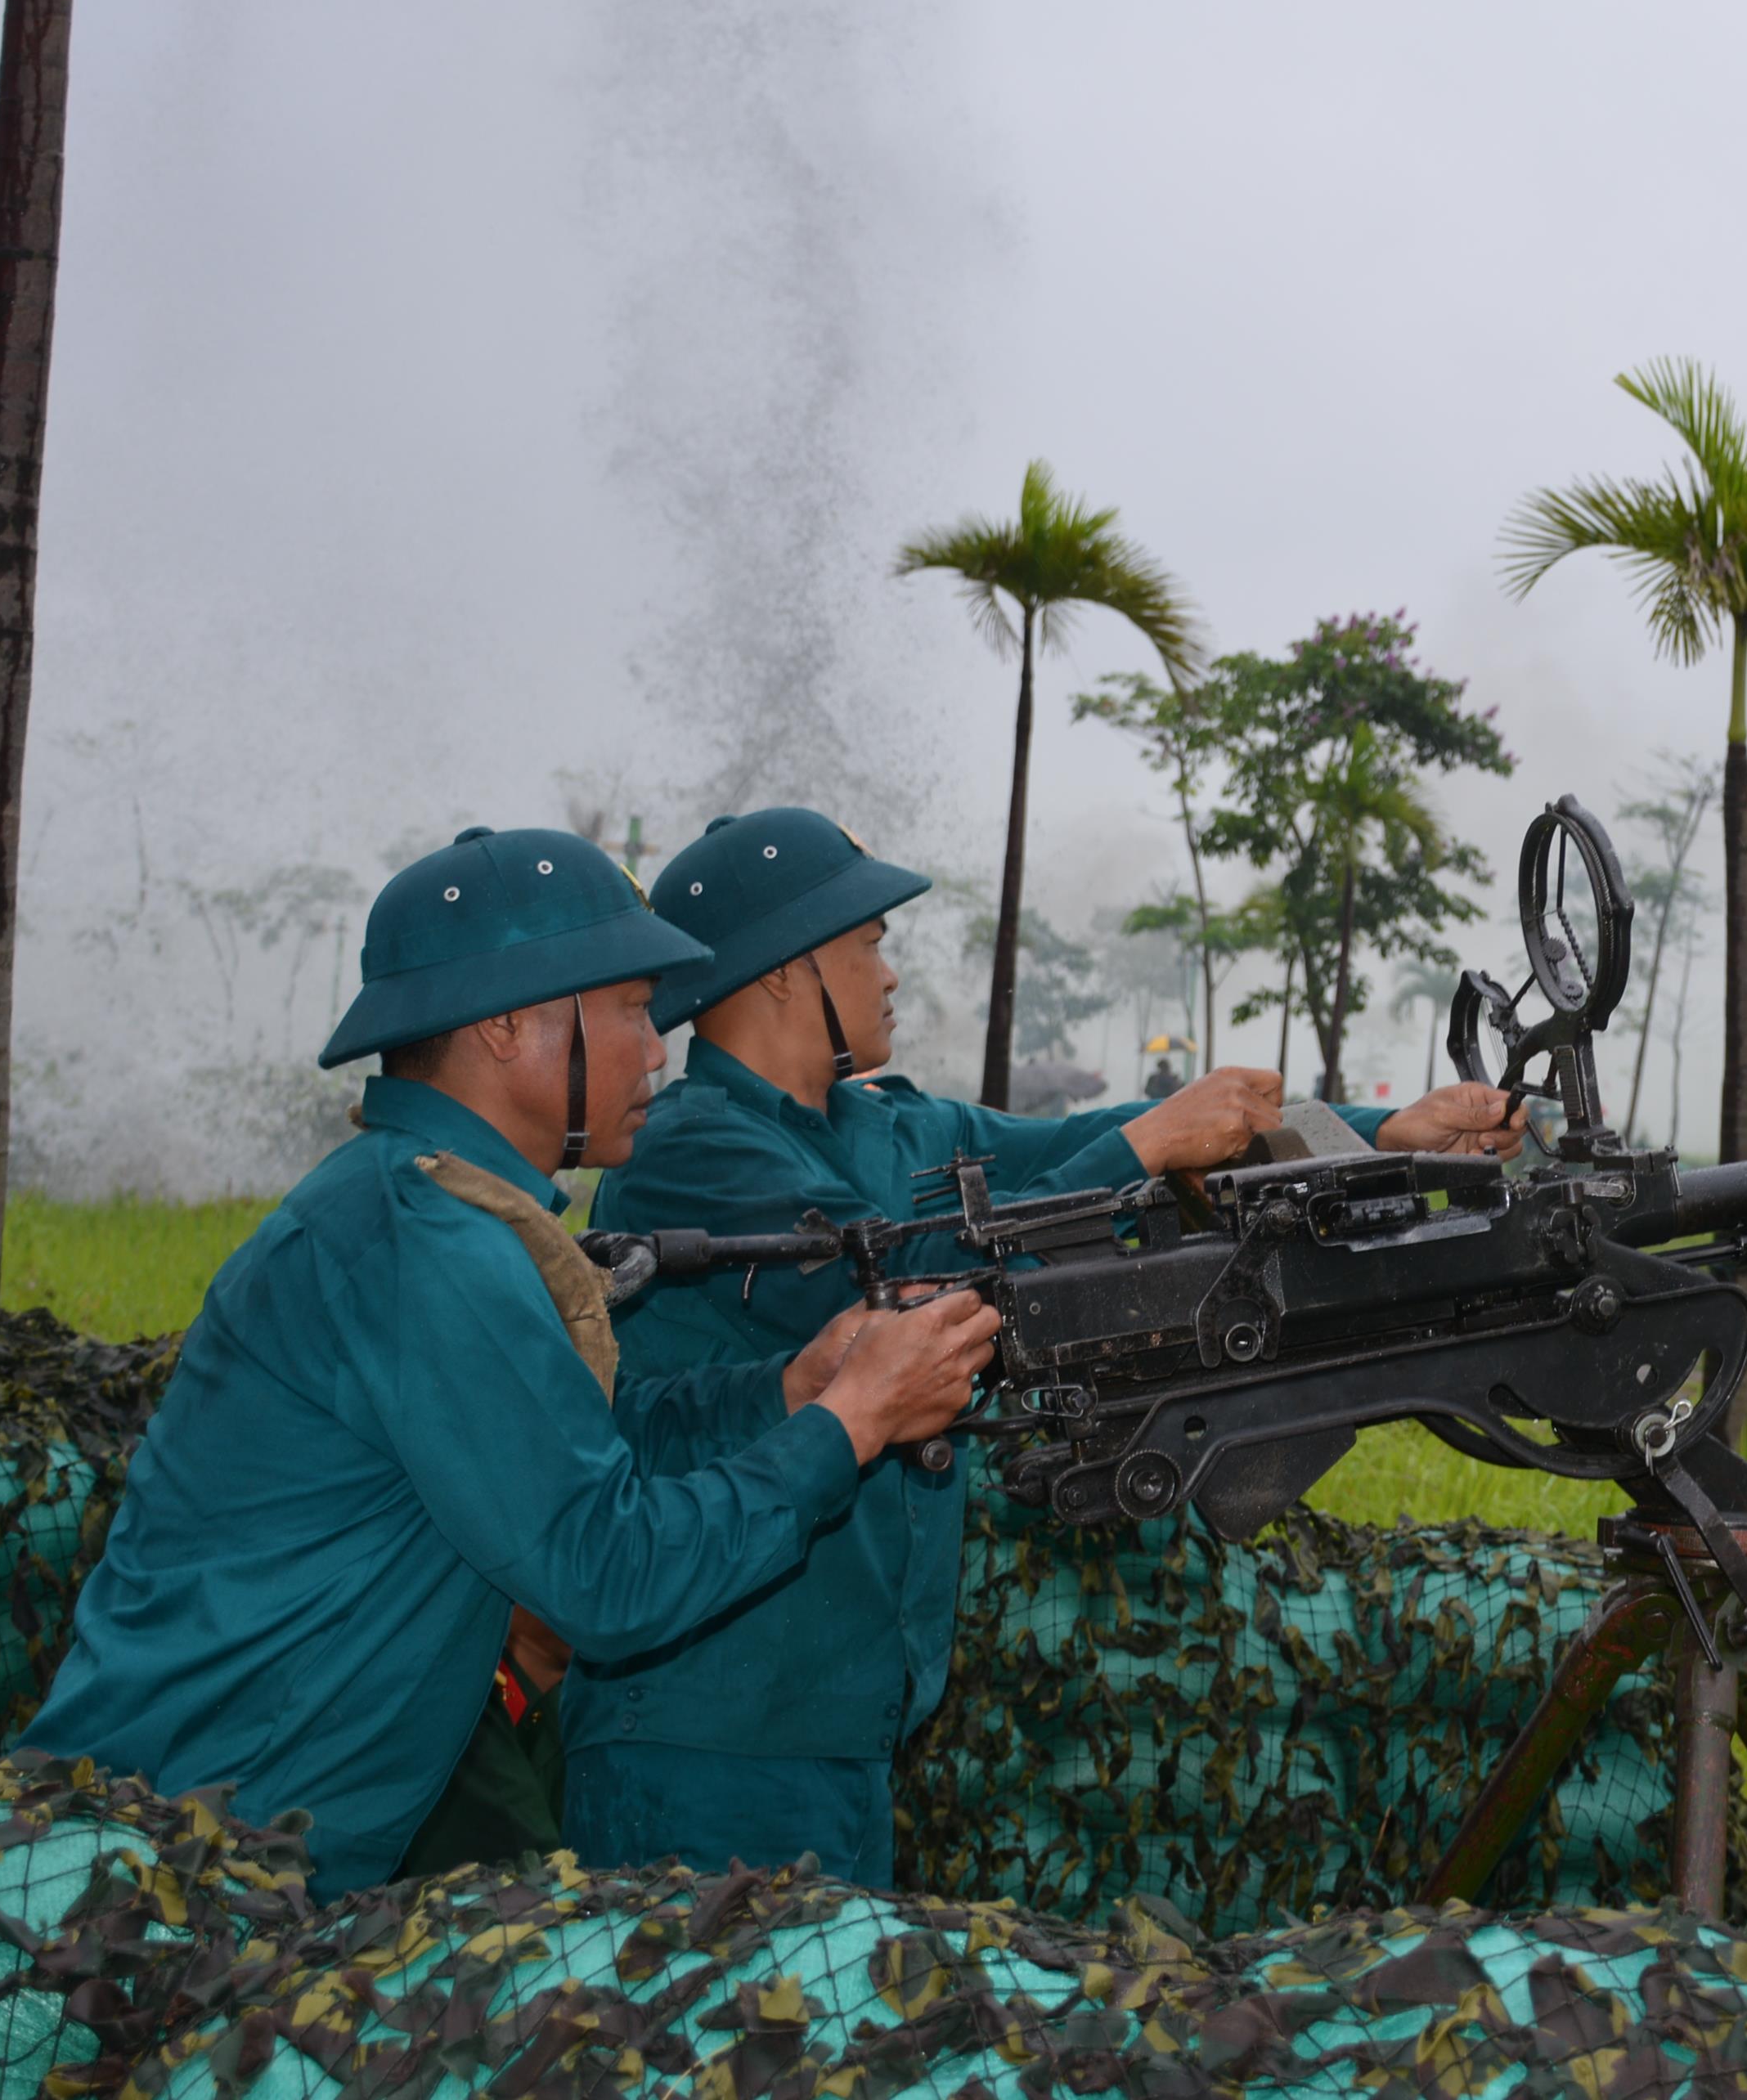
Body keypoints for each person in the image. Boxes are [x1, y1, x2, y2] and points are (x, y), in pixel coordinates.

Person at [21, 827, 999, 1900]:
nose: (657, 1050)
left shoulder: (434, 1211)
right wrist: (849, 1425)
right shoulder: (421, 1248)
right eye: (629, 1009)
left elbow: (584, 1445)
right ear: (504, 1027)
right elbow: (607, 1574)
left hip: (230, 1847)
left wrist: (788, 1390)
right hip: (171, 1867)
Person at [572, 807, 1526, 1884]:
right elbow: (905, 1291)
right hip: (707, 1729)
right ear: (789, 970)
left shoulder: (883, 1126)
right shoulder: (693, 1149)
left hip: (839, 1720)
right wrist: (1147, 1145)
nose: (890, 972)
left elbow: (1065, 1145)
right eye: (869, 944)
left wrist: (1380, 1136)